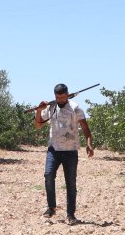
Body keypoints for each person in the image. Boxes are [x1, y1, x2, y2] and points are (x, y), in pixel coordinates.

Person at [35, 83, 94, 225]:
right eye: (57, 97)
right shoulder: (51, 107)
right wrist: (39, 110)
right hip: (54, 149)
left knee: (71, 183)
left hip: (70, 151)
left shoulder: (75, 108)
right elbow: (38, 125)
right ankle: (51, 207)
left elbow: (86, 128)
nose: (60, 100)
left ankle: (70, 214)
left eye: (62, 97)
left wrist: (89, 144)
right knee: (48, 175)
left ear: (67, 95)